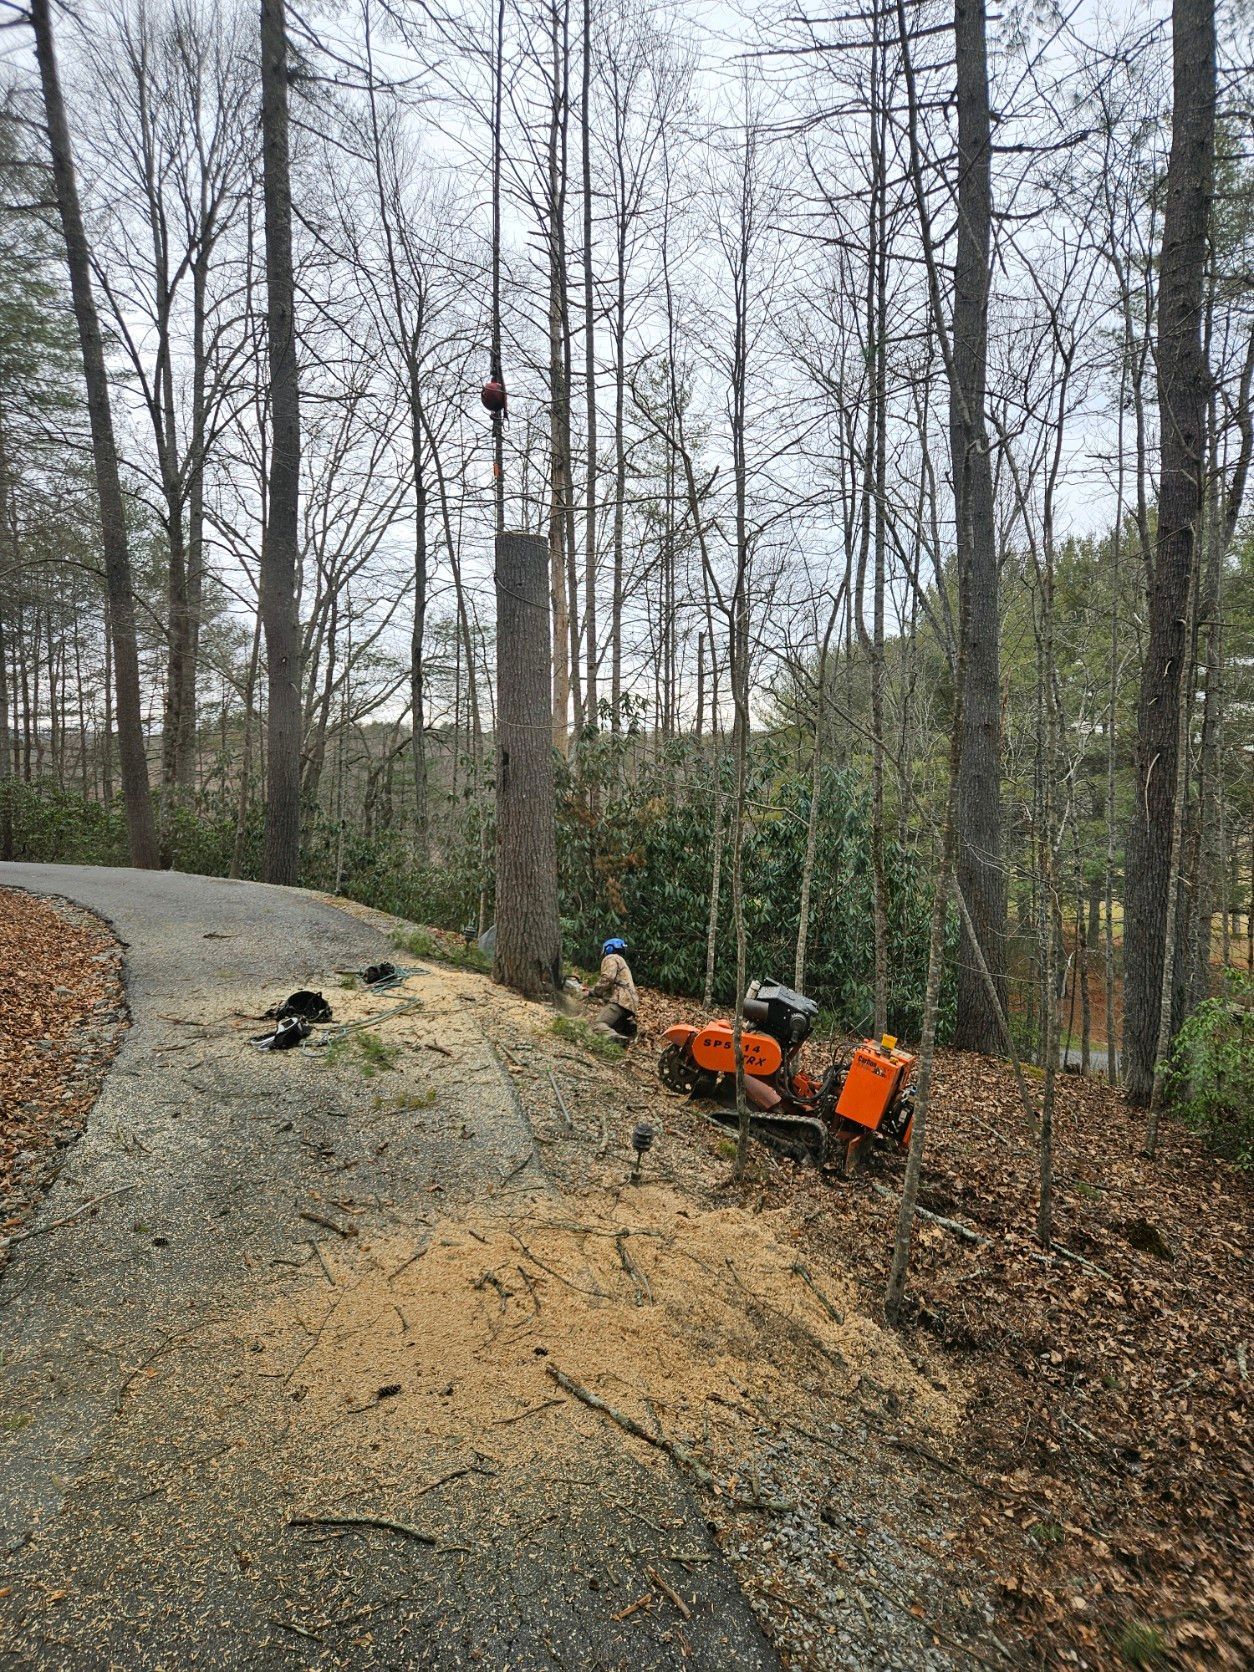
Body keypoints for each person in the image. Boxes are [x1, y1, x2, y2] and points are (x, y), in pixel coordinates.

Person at [588, 937, 638, 1044]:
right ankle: (627, 1029)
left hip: (620, 1000)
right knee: (613, 1027)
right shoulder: (621, 961)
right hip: (630, 1003)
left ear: (609, 948)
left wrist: (594, 991)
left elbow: (608, 978)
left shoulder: (611, 958)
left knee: (598, 1025)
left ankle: (619, 1042)